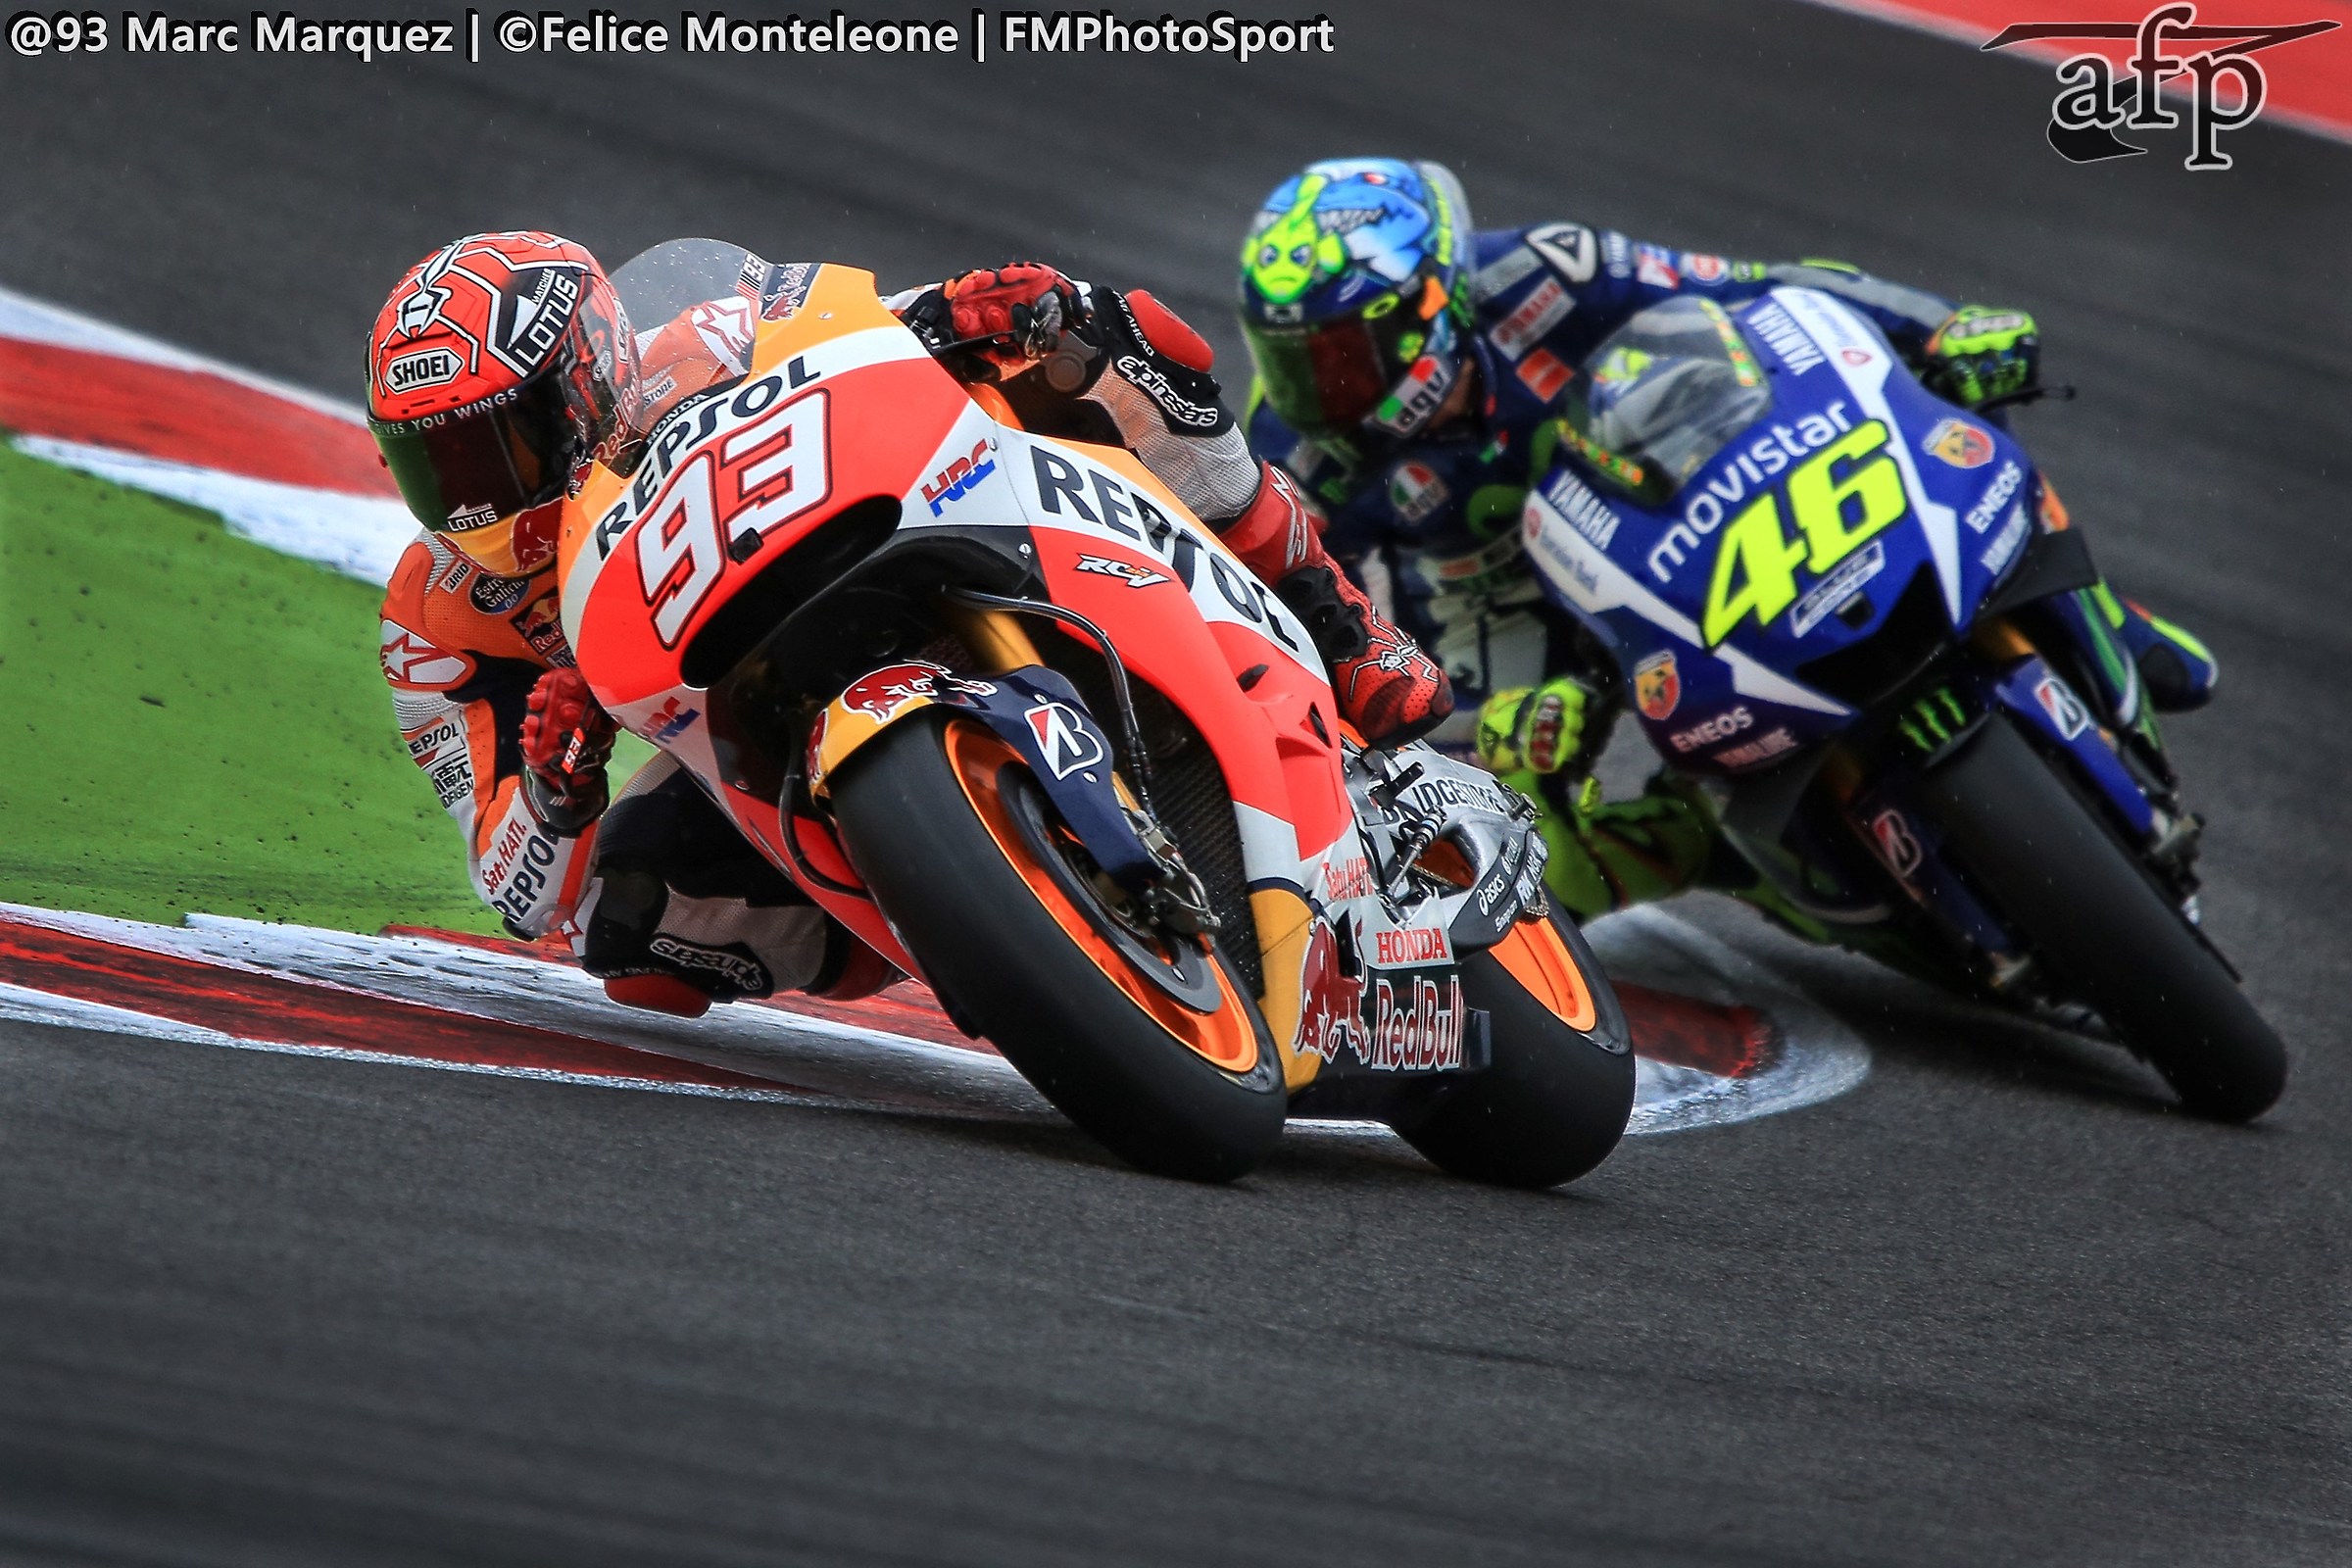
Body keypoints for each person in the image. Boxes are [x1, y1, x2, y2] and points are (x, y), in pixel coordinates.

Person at [366, 231, 1450, 1013]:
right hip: (745, 718)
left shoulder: (707, 332)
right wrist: (555, 791)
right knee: (629, 923)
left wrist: (964, 310)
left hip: (888, 520)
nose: (475, 501)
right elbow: (517, 895)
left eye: (497, 446)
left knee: (1103, 329)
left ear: (589, 371)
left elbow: (861, 328)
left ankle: (1335, 619)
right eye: (435, 467)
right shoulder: (437, 617)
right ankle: (958, 909)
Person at [1235, 157, 2218, 926]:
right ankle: (1735, 858)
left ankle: (2098, 614)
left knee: (1944, 416)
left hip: (1671, 502)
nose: (1314, 392)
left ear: (1432, 310)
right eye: (1287, 360)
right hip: (1505, 615)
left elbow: (1764, 295)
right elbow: (1303, 634)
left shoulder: (1542, 270)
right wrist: (1472, 729)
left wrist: (1941, 328)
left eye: (1336, 356)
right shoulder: (1303, 455)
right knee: (1524, 861)